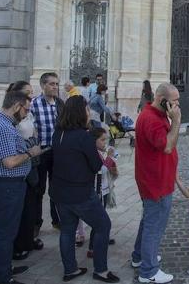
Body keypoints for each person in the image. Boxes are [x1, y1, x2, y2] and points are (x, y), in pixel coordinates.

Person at [49, 96, 118, 283]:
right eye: (87, 110)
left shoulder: (58, 133)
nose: (89, 113)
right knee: (103, 225)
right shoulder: (84, 136)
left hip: (60, 192)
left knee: (67, 230)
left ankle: (70, 269)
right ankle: (101, 270)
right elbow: (96, 165)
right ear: (80, 113)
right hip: (80, 193)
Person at [0, 91, 43, 284]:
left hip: (9, 185)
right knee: (4, 233)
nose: (26, 114)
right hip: (7, 186)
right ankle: (2, 277)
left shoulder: (5, 124)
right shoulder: (2, 127)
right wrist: (30, 153)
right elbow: (9, 162)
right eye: (26, 109)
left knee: (5, 230)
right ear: (16, 106)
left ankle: (4, 268)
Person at [131, 83, 181, 284]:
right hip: (156, 182)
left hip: (158, 179)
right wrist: (176, 121)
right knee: (154, 226)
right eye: (175, 101)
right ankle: (149, 271)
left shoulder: (157, 115)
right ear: (162, 100)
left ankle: (139, 256)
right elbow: (168, 146)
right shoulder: (152, 119)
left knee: (148, 221)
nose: (177, 105)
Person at [7, 82, 43, 261]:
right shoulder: (10, 119)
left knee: (32, 204)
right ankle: (18, 245)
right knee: (21, 207)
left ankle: (28, 239)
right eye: (28, 94)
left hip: (33, 162)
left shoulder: (27, 113)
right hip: (21, 165)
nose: (32, 97)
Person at [31, 72, 63, 233]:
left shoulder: (60, 104)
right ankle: (36, 223)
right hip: (41, 152)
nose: (55, 87)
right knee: (39, 188)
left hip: (57, 152)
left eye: (57, 84)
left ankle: (57, 220)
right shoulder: (33, 104)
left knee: (56, 188)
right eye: (52, 84)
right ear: (43, 85)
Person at [85, 127, 118, 259]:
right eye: (102, 139)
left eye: (106, 139)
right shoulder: (93, 153)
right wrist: (109, 158)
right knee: (99, 220)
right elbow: (101, 169)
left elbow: (109, 168)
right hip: (96, 190)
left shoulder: (100, 151)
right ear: (94, 140)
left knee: (102, 217)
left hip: (103, 189)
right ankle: (92, 248)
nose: (105, 142)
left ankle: (102, 237)